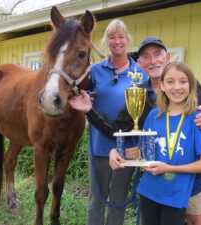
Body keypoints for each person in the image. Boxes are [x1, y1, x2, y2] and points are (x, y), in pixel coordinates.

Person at [69, 37, 201, 225]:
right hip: (157, 181)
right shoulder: (138, 95)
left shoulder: (188, 85)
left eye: (157, 54)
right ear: (139, 64)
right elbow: (120, 129)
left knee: (197, 219)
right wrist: (90, 112)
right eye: (146, 57)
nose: (153, 60)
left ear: (167, 57)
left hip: (193, 175)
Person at [128, 61, 201, 225]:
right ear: (162, 86)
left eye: (183, 81)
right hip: (149, 190)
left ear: (191, 85)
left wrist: (170, 168)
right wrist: (118, 153)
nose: (177, 87)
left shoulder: (198, 118)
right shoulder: (153, 116)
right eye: (170, 81)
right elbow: (142, 152)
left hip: (176, 193)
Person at [81, 19, 148, 225]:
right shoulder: (96, 71)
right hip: (100, 146)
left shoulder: (140, 74)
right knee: (96, 199)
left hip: (126, 149)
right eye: (112, 37)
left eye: (121, 36)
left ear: (128, 40)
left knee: (118, 200)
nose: (116, 41)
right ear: (106, 41)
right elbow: (85, 97)